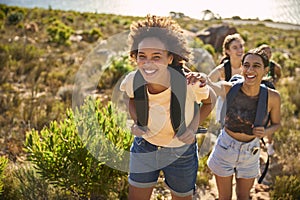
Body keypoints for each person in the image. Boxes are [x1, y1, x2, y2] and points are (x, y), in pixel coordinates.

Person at [119, 15, 215, 200]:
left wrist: (193, 128)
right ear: (135, 56)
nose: (148, 63)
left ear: (170, 58)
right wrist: (138, 121)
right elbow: (130, 98)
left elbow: (209, 102)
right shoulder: (133, 80)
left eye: (157, 56)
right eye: (142, 56)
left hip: (180, 152)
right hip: (144, 147)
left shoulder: (189, 83)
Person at [203, 48, 281, 200]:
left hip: (250, 152)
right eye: (246, 65)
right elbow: (211, 86)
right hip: (225, 147)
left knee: (243, 196)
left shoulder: (273, 97)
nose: (250, 70)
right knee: (224, 197)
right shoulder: (230, 88)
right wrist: (199, 79)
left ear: (266, 70)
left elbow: (276, 124)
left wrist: (265, 132)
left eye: (256, 66)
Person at [208, 33, 245, 125]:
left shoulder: (247, 65)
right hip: (226, 106)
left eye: (241, 46)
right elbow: (207, 82)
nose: (240, 50)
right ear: (228, 51)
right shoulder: (223, 69)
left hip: (244, 105)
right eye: (235, 47)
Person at [258, 44, 282, 155]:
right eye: (264, 51)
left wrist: (275, 81)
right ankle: (256, 144)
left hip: (270, 97)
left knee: (269, 121)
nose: (267, 54)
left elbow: (279, 73)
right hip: (257, 96)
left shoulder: (273, 66)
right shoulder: (256, 64)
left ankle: (269, 144)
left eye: (269, 52)